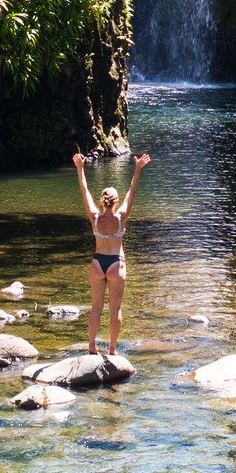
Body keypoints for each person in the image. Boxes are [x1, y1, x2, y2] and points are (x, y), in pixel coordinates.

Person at [71, 150, 150, 356]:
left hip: (98, 263)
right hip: (116, 263)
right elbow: (132, 191)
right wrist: (138, 168)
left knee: (96, 307)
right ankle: (112, 351)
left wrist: (80, 168)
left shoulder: (94, 217)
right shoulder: (121, 217)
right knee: (115, 310)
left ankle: (91, 347)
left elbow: (84, 191)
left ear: (102, 200)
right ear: (115, 201)